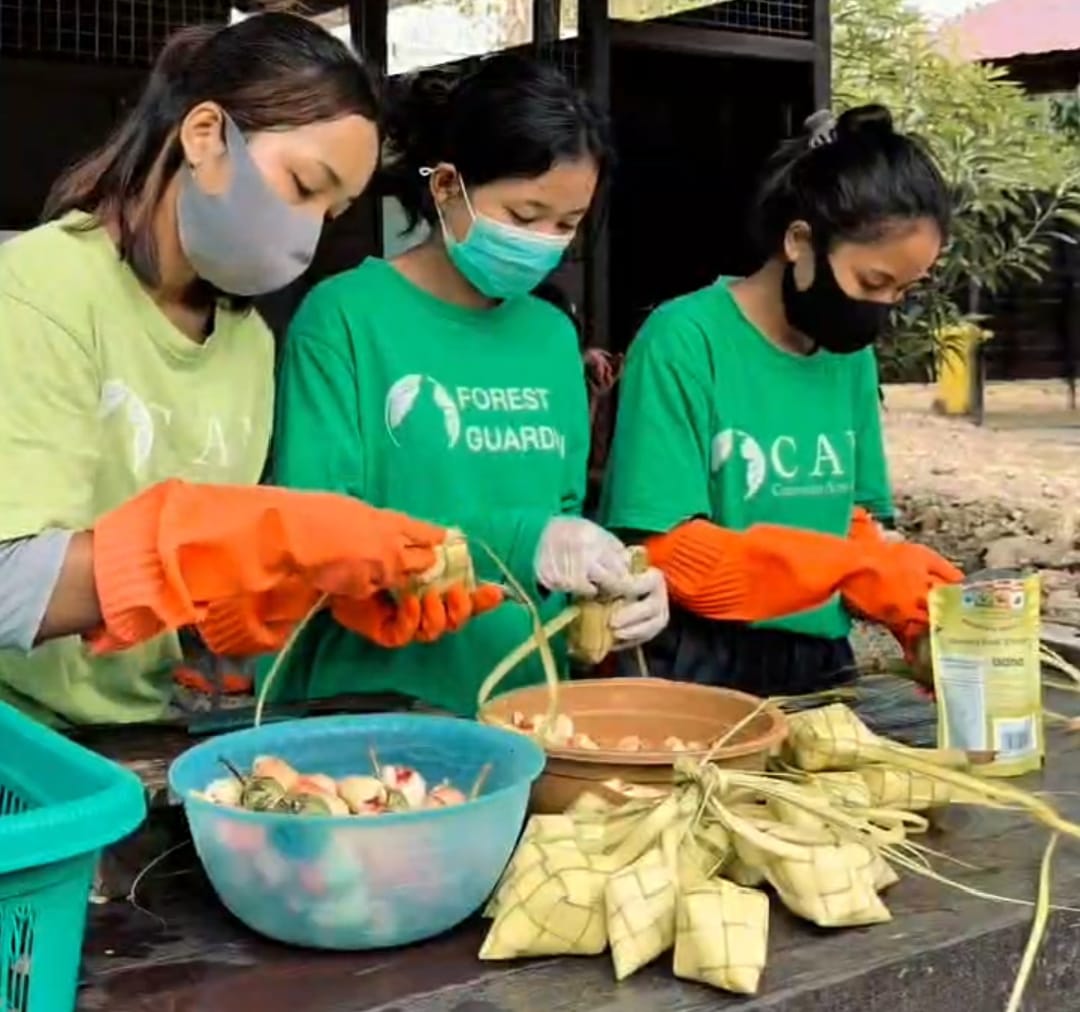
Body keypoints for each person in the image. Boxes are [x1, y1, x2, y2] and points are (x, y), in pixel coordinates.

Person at [0, 13, 496, 727]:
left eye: (333, 211)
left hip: (135, 731)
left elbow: (195, 608)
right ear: (206, 135)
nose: (310, 230)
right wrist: (265, 533)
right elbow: (11, 588)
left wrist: (314, 588)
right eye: (303, 185)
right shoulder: (39, 290)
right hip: (25, 743)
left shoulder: (247, 343)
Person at [265, 55, 670, 717]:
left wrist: (616, 584)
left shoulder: (550, 335)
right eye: (525, 214)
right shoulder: (344, 318)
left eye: (567, 223)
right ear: (449, 187)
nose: (545, 242)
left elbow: (562, 517)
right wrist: (522, 541)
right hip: (371, 704)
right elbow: (319, 535)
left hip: (527, 703)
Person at [601, 106, 963, 701]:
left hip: (821, 661)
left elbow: (857, 520)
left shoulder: (849, 355)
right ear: (800, 242)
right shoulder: (685, 339)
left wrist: (915, 617)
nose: (882, 307)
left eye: (902, 290)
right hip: (697, 657)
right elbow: (664, 549)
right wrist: (849, 567)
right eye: (873, 283)